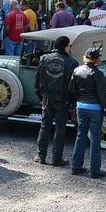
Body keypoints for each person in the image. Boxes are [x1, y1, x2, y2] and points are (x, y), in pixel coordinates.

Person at [35, 35, 77, 166]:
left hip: (47, 98)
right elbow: (73, 86)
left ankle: (41, 156)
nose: (71, 48)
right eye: (69, 45)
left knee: (44, 126)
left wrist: (40, 97)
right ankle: (56, 158)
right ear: (64, 46)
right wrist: (72, 102)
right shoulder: (71, 62)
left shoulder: (43, 58)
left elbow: (37, 79)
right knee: (60, 129)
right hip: (62, 100)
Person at [69, 47, 106, 178]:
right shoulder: (98, 74)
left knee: (80, 136)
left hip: (81, 106)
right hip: (95, 109)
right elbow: (102, 95)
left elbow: (71, 89)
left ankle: (76, 166)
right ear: (97, 59)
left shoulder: (77, 70)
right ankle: (95, 170)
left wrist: (78, 101)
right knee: (95, 139)